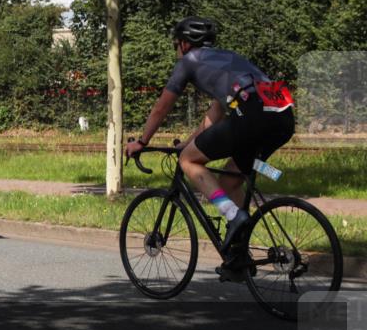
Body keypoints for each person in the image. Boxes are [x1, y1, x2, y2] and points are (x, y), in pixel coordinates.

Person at [124, 16, 295, 277]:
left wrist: (142, 141)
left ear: (184, 43)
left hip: (252, 113)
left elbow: (162, 107)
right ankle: (239, 259)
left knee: (188, 162)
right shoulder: (227, 59)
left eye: (176, 44)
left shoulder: (188, 61)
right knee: (229, 182)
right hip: (282, 114)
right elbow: (214, 115)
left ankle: (234, 216)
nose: (176, 49)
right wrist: (190, 143)